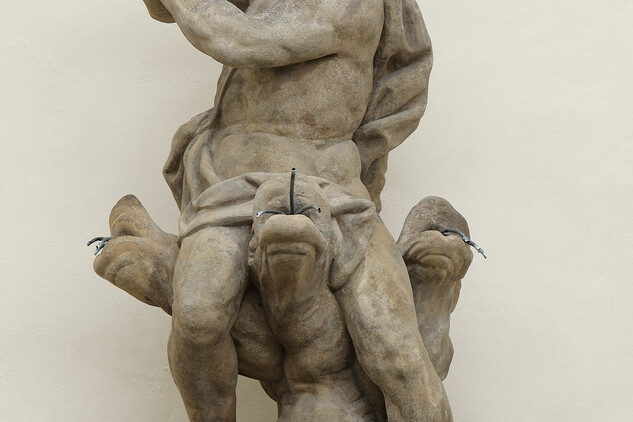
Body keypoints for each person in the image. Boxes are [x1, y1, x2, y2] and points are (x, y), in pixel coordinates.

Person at [140, 0, 448, 421]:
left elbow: (239, 39)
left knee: (397, 352)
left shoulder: (352, 5)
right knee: (197, 318)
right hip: (229, 186)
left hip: (334, 194)